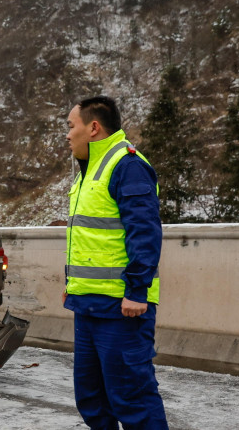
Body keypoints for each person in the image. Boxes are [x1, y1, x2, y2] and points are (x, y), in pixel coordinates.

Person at [64, 95, 168, 429]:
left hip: (122, 308)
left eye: (71, 126)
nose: (67, 135)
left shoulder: (127, 165)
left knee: (132, 399)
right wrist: (72, 287)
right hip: (88, 305)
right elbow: (91, 240)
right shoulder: (88, 172)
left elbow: (145, 233)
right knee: (92, 399)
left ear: (93, 128)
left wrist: (137, 290)